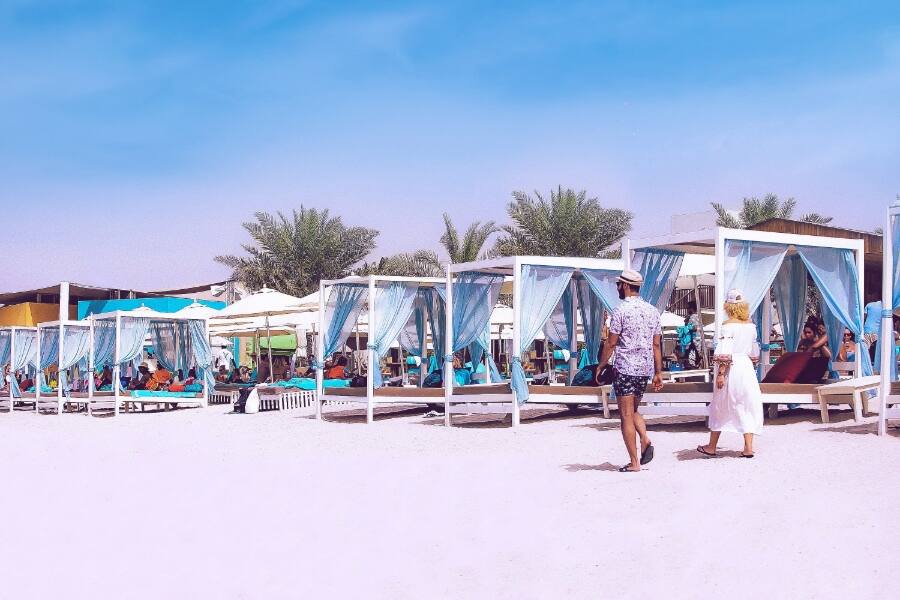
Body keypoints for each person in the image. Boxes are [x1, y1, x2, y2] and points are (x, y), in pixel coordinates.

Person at [596, 269, 663, 472]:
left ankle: (634, 462)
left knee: (625, 415)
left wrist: (600, 365)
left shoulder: (620, 311)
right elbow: (657, 345)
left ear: (625, 285)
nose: (617, 288)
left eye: (618, 284)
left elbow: (611, 342)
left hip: (625, 368)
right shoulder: (653, 310)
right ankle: (644, 439)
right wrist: (658, 372)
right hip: (644, 369)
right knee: (633, 410)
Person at [697, 290, 763, 458]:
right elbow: (754, 352)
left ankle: (712, 446)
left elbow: (726, 351)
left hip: (732, 368)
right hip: (746, 368)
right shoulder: (751, 326)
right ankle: (748, 447)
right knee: (746, 404)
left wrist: (721, 373)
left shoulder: (728, 326)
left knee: (721, 404)